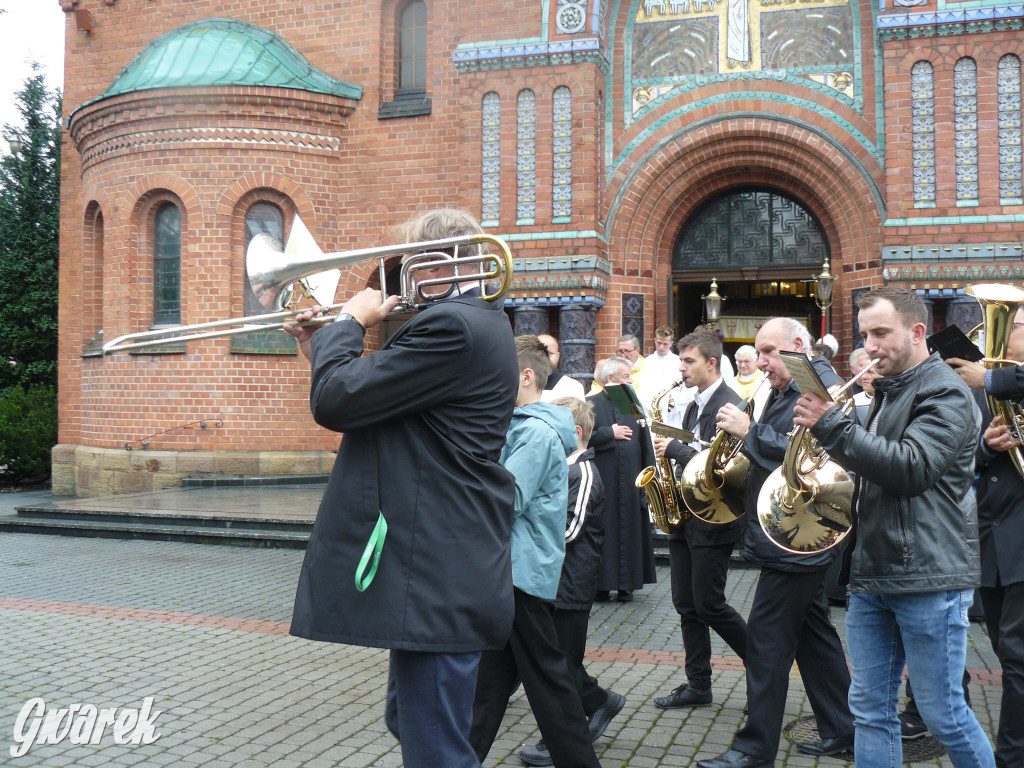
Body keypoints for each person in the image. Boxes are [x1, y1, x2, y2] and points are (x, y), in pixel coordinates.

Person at [285, 209, 519, 768]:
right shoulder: (473, 323)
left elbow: (338, 401)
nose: (402, 278)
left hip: (437, 568)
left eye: (409, 263)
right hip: (440, 563)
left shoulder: (453, 326)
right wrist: (321, 342)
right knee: (411, 722)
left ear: (436, 265)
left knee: (435, 748)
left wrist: (348, 321)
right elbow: (367, 399)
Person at [793, 286, 993, 768]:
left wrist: (833, 428)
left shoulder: (945, 390)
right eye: (865, 335)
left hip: (929, 576)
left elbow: (911, 469)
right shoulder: (889, 391)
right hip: (874, 572)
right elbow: (875, 471)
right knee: (868, 713)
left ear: (917, 332)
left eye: (882, 333)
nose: (871, 345)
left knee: (943, 715)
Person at [697, 316, 854, 768]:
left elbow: (804, 460)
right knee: (814, 638)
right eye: (759, 352)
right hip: (791, 537)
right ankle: (844, 729)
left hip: (798, 540)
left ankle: (754, 749)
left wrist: (749, 431)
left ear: (798, 345)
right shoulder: (787, 390)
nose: (761, 361)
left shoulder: (819, 389)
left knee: (766, 646)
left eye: (768, 352)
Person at [469, 336, 601, 768]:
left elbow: (505, 497)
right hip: (516, 571)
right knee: (491, 687)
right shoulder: (528, 427)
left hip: (520, 574)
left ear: (526, 377)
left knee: (549, 684)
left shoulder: (537, 432)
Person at [518, 395, 626, 767]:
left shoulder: (584, 473)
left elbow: (568, 529)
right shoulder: (561, 468)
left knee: (562, 667)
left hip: (570, 586)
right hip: (551, 583)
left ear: (575, 433)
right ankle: (598, 703)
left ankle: (566, 733)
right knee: (556, 664)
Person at [650, 331, 748, 710]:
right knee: (686, 604)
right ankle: (698, 685)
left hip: (714, 518)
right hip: (686, 517)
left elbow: (720, 468)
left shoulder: (732, 404)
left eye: (688, 361)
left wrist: (674, 448)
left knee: (710, 604)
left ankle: (761, 664)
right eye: (680, 360)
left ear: (711, 362)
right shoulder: (693, 405)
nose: (681, 368)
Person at [947, 312, 1024, 768]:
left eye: (1015, 326)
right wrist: (985, 447)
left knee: (1016, 656)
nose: (1005, 332)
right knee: (1004, 648)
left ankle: (1011, 758)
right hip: (993, 540)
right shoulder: (987, 391)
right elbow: (968, 460)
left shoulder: (992, 383)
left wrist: (991, 378)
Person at [588, 356, 657, 603]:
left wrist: (650, 477)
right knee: (603, 530)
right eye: (626, 376)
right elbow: (580, 438)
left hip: (630, 483)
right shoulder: (591, 404)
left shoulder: (633, 405)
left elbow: (645, 444)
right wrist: (609, 433)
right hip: (603, 483)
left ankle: (627, 585)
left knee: (630, 529)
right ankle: (602, 586)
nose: (630, 380)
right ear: (611, 379)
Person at [636, 326, 682, 411]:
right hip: (651, 407)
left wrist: (675, 400)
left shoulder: (678, 362)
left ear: (671, 344)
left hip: (673, 409)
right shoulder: (647, 362)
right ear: (654, 341)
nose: (661, 347)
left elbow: (684, 388)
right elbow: (643, 387)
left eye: (665, 344)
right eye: (659, 343)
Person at [539, 333, 587, 402]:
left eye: (550, 353)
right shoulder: (520, 385)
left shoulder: (572, 387)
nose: (544, 358)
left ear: (558, 356)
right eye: (540, 353)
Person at [728, 344, 768, 420]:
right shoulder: (730, 383)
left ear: (756, 361)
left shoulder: (766, 381)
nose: (743, 365)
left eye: (746, 361)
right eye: (740, 361)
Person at [849, 347, 879, 424]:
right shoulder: (853, 401)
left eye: (870, 372)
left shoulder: (892, 401)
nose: (864, 377)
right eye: (863, 371)